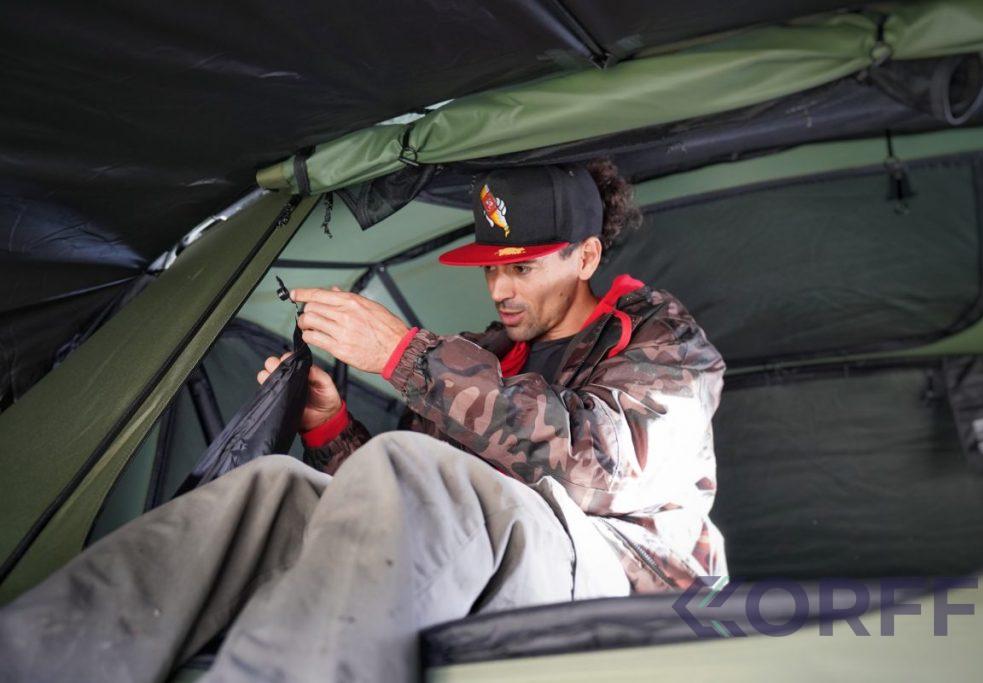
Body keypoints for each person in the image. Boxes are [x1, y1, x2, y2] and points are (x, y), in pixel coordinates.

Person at [0, 160, 728, 682]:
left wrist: (407, 356)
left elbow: (604, 467)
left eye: (522, 267)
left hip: (623, 579)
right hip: (492, 556)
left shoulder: (663, 341)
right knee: (275, 488)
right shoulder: (486, 354)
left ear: (586, 256)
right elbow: (399, 509)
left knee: (420, 467)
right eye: (490, 268)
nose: (500, 289)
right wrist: (328, 426)